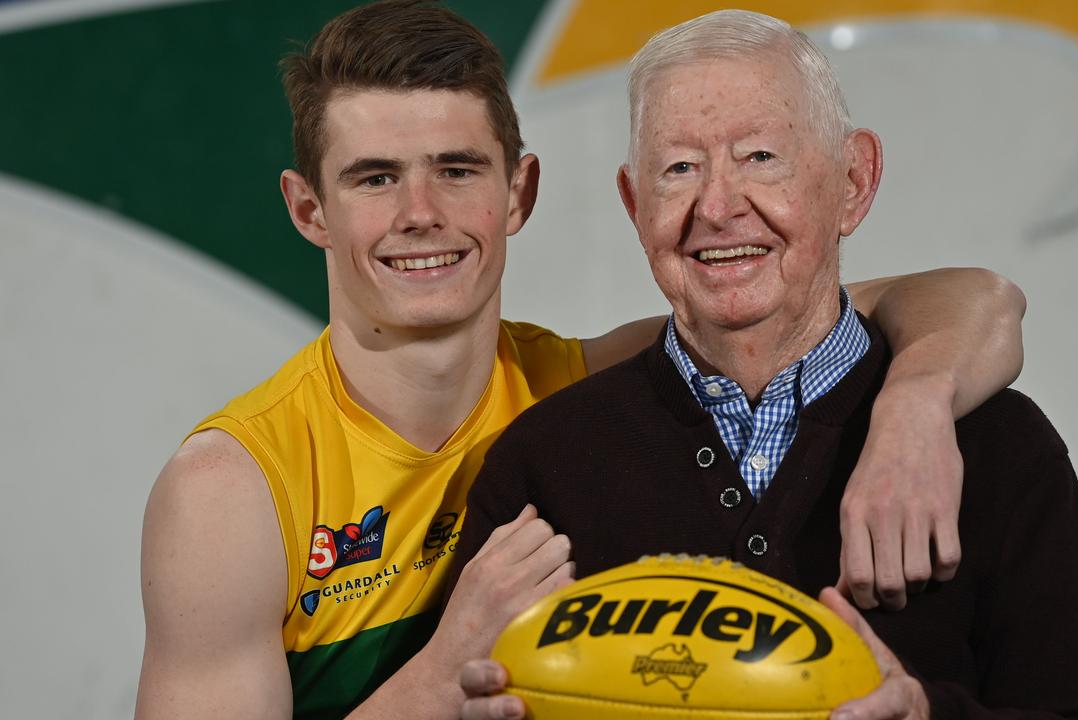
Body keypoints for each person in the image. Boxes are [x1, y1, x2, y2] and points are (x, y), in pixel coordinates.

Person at [135, 2, 1027, 718]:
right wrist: (438, 678)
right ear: (308, 210)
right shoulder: (234, 489)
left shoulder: (580, 390)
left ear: (519, 191)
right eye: (374, 178)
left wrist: (915, 404)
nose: (420, 213)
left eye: (456, 169)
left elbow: (966, 299)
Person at [453, 9, 1078, 720]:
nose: (717, 207)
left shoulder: (996, 447)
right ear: (636, 205)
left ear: (853, 182)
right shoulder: (541, 466)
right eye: (680, 168)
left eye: (760, 157)